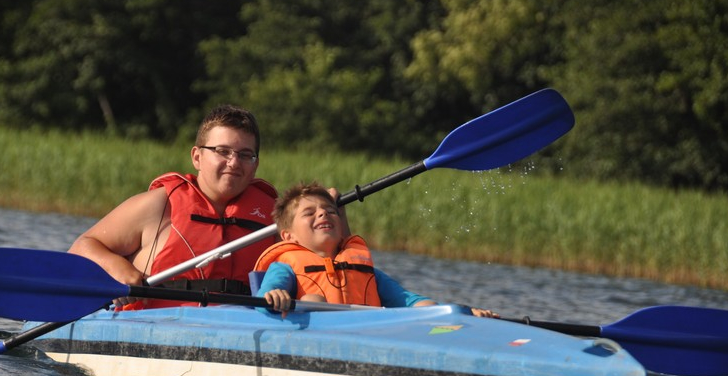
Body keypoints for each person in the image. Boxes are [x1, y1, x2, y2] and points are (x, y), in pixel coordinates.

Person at [69, 105, 278, 309]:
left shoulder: (275, 219)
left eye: (245, 155)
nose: (234, 163)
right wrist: (117, 268)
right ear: (197, 157)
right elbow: (81, 247)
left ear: (255, 165)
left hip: (242, 326)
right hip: (154, 324)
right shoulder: (158, 205)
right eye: (223, 151)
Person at [255, 183, 497, 317]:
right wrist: (275, 295)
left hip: (366, 334)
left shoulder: (364, 270)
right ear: (289, 236)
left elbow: (409, 301)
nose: (322, 214)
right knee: (312, 299)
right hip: (313, 334)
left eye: (330, 211)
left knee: (427, 306)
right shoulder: (284, 266)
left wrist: (459, 313)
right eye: (309, 213)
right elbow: (264, 298)